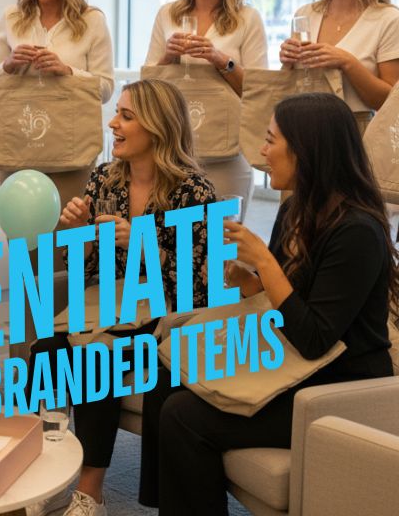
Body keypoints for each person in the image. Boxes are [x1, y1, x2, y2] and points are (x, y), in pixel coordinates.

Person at [139, 93, 397, 516]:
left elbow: (315, 337)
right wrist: (247, 280)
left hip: (338, 383)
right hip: (289, 357)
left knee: (184, 415)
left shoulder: (358, 231)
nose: (262, 151)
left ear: (306, 149)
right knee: (164, 380)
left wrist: (262, 260)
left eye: (271, 140)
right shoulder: (297, 207)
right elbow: (280, 303)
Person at [28, 79, 215, 516]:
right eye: (117, 113)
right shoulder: (103, 179)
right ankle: (39, 474)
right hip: (104, 308)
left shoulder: (194, 192)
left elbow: (200, 288)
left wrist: (143, 245)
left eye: (126, 116)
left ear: (158, 127)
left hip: (168, 318)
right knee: (44, 352)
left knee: (97, 358)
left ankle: (90, 492)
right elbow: (81, 271)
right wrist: (75, 236)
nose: (113, 123)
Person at [0, 0, 115, 209]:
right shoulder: (12, 17)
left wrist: (68, 71)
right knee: (23, 240)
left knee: (69, 240)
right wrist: (8, 66)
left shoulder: (92, 20)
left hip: (72, 153)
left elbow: (105, 88)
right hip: (18, 149)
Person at [145, 0, 267, 219]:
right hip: (172, 152)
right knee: (174, 246)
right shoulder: (167, 14)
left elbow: (257, 91)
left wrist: (220, 59)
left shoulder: (247, 19)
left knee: (221, 246)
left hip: (225, 154)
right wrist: (168, 55)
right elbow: (147, 86)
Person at [279, 0, 399, 128]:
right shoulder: (306, 14)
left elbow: (390, 102)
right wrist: (287, 62)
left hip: (353, 135)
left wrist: (347, 62)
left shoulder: (388, 20)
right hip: (302, 131)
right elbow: (291, 89)